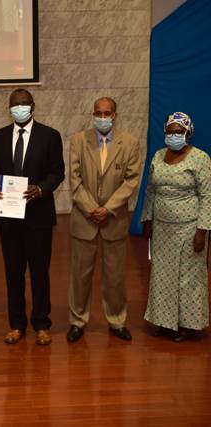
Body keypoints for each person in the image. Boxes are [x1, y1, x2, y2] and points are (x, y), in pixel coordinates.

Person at [0, 88, 65, 346]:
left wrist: (41, 189)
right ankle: (16, 324)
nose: (19, 108)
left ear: (33, 106)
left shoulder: (50, 136)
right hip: (9, 217)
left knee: (40, 273)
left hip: (38, 216)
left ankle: (42, 324)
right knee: (13, 273)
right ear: (9, 109)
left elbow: (57, 172)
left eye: (23, 104)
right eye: (14, 105)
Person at [67, 97, 141, 343]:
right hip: (84, 219)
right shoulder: (79, 140)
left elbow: (131, 180)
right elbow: (74, 180)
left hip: (114, 220)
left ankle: (117, 321)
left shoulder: (129, 143)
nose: (102, 117)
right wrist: (92, 208)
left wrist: (107, 209)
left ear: (114, 115)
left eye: (106, 113)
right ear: (93, 114)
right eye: (98, 112)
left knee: (115, 277)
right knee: (80, 276)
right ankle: (77, 321)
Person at [141, 112, 211, 342]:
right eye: (170, 131)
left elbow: (207, 197)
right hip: (162, 228)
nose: (174, 135)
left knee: (188, 278)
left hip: (189, 229)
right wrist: (147, 220)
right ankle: (164, 322)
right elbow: (150, 190)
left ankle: (187, 325)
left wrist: (202, 232)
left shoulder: (201, 158)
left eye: (179, 132)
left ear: (188, 133)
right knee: (162, 276)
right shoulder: (158, 155)